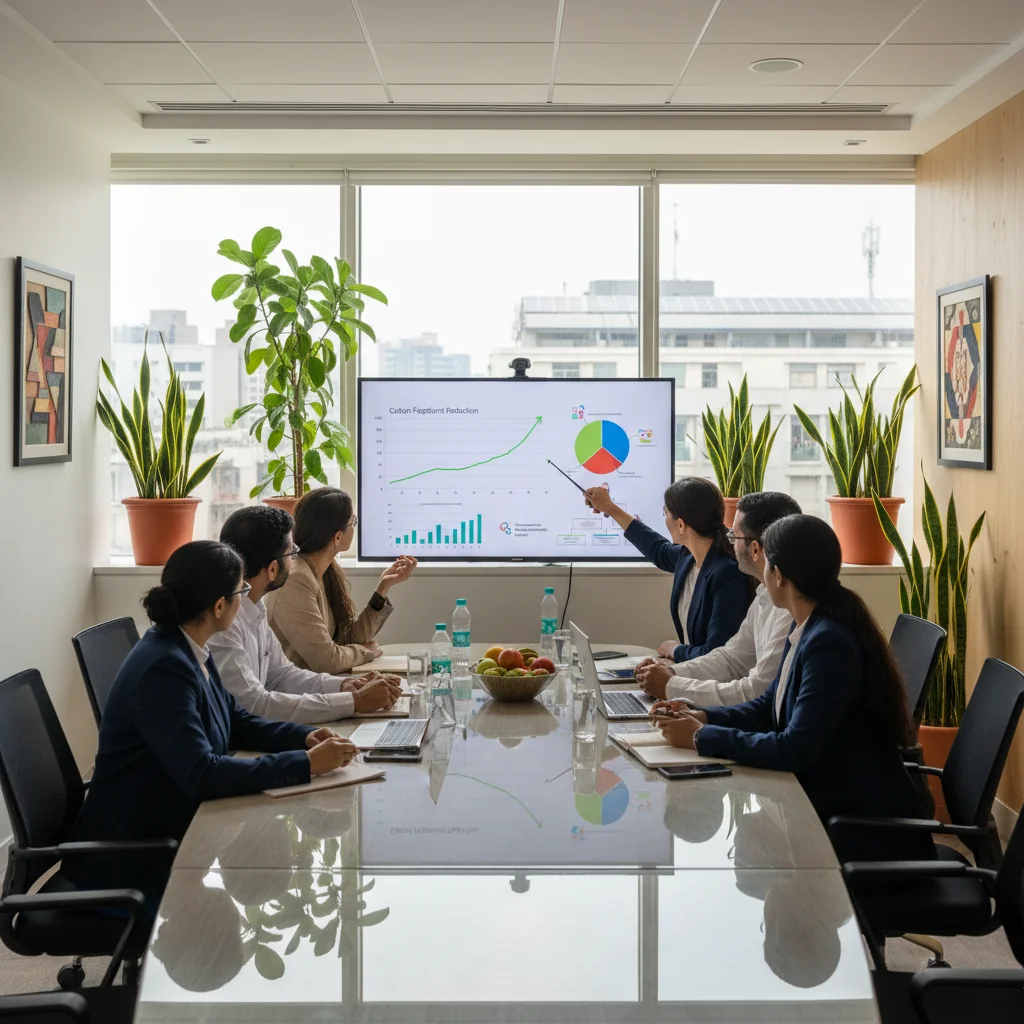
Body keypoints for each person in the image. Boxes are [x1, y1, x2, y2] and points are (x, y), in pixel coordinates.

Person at [62, 541, 357, 908]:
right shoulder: (164, 669)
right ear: (219, 606)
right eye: (241, 591)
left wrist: (305, 737)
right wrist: (306, 765)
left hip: (170, 827)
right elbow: (203, 774)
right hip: (133, 860)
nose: (245, 598)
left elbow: (235, 719)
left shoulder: (189, 645)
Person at [650, 514, 934, 863]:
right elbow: (770, 704)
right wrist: (703, 716)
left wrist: (699, 737)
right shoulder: (809, 625)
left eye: (766, 562)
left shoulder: (829, 643)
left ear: (778, 575)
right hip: (830, 808)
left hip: (862, 833)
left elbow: (795, 748)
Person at [212, 505, 403, 723]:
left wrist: (345, 686)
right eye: (291, 552)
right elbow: (255, 705)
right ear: (272, 569)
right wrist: (354, 701)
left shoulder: (253, 609)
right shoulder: (225, 624)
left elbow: (282, 675)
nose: (295, 559)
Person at [635, 491, 800, 704]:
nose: (730, 543)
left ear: (755, 549)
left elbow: (756, 690)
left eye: (734, 536)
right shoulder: (764, 595)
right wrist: (672, 673)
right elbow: (732, 658)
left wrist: (672, 685)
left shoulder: (789, 610)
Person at [584, 477, 750, 662]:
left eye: (665, 513)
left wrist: (675, 650)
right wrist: (610, 508)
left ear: (681, 524)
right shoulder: (687, 556)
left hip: (712, 677)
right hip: (693, 671)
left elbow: (716, 655)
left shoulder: (728, 575)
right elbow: (657, 548)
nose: (664, 519)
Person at [267, 487, 417, 674]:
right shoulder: (296, 580)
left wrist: (383, 587)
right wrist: (366, 652)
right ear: (337, 537)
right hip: (297, 687)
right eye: (353, 522)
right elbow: (326, 660)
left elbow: (348, 638)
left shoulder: (324, 571)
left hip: (319, 682)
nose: (355, 527)